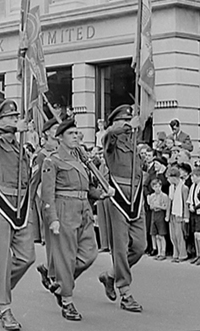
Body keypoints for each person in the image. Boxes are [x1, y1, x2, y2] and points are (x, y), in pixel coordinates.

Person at [40, 118, 113, 321]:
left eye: (77, 133)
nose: (76, 137)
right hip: (64, 210)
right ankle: (67, 301)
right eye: (71, 134)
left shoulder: (80, 160)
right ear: (60, 138)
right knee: (66, 255)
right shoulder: (52, 160)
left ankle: (61, 284)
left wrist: (101, 194)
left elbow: (86, 187)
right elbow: (47, 193)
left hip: (84, 210)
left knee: (89, 253)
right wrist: (52, 218)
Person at [0, 100, 35, 331]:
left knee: (27, 257)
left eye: (16, 117)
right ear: (2, 121)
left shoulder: (20, 147)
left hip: (21, 204)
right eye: (11, 117)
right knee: (2, 258)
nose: (15, 120)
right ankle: (4, 307)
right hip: (2, 202)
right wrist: (13, 128)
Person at [98, 104, 146, 313]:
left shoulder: (134, 143)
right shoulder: (112, 139)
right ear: (116, 123)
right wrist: (127, 127)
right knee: (120, 246)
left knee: (140, 246)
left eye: (130, 120)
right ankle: (125, 292)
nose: (128, 124)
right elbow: (109, 135)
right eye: (124, 121)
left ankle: (110, 274)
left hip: (136, 198)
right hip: (117, 196)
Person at [31, 118, 59, 291]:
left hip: (64, 201)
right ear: (47, 133)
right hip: (48, 201)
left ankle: (49, 269)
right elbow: (34, 180)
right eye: (55, 129)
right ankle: (53, 274)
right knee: (53, 240)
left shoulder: (63, 152)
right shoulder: (42, 155)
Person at [166, 166, 189, 263]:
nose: (168, 180)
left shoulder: (184, 188)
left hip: (179, 213)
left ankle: (182, 254)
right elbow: (169, 202)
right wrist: (167, 214)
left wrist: (186, 216)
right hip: (172, 214)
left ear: (174, 177)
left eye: (169, 177)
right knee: (173, 235)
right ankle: (175, 253)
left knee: (179, 235)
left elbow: (185, 203)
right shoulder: (171, 188)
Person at [147, 178, 170, 260]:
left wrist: (158, 206)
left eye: (159, 186)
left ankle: (163, 252)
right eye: (155, 186)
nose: (157, 188)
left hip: (160, 214)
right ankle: (158, 252)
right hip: (154, 214)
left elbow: (166, 206)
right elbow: (150, 206)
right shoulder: (152, 196)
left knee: (161, 235)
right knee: (155, 235)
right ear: (153, 188)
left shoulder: (164, 196)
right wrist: (153, 206)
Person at [189, 167, 200, 266]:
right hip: (193, 212)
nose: (192, 178)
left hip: (198, 212)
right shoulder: (193, 186)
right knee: (195, 235)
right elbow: (190, 198)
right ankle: (197, 254)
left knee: (198, 235)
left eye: (194, 176)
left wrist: (195, 208)